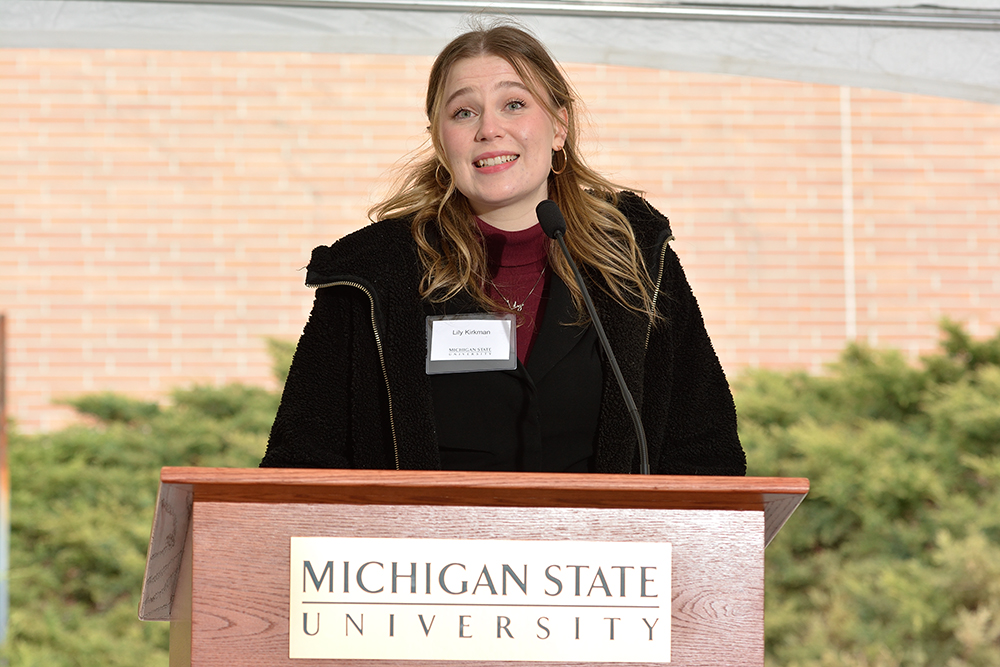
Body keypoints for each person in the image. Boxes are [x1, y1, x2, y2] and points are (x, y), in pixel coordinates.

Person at [260, 22, 746, 476]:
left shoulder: (639, 259)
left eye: (514, 104)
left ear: (559, 126)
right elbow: (301, 459)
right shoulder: (371, 278)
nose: (488, 129)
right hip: (421, 565)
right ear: (440, 140)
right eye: (463, 112)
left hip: (602, 566)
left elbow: (706, 452)